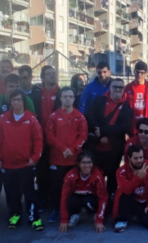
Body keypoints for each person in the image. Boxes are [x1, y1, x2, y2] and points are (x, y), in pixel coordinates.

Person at [0, 89, 44, 230]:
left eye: (19, 99)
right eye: (14, 100)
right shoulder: (2, 119)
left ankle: (34, 218)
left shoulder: (31, 119)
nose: (17, 102)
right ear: (10, 102)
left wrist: (35, 158)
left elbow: (39, 140)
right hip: (7, 165)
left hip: (26, 164)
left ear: (24, 102)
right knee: (11, 193)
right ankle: (15, 215)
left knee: (30, 194)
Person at [45, 87, 88, 223]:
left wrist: (73, 148)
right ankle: (56, 210)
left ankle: (73, 212)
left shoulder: (79, 117)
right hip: (57, 159)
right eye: (65, 96)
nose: (68, 99)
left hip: (74, 159)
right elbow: (49, 136)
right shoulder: (54, 116)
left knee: (74, 188)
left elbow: (83, 136)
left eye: (70, 96)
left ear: (74, 99)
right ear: (60, 98)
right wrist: (64, 149)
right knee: (56, 187)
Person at [85, 79, 133, 197]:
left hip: (114, 146)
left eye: (120, 87)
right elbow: (89, 115)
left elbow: (124, 127)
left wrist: (103, 132)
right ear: (110, 88)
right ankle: (96, 197)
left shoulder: (126, 106)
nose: (117, 89)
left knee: (112, 173)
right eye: (115, 87)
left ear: (123, 90)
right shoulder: (99, 100)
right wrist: (97, 129)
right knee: (96, 172)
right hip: (96, 145)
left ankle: (111, 197)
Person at [30, 65, 61, 217]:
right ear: (42, 77)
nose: (52, 76)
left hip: (56, 137)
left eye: (54, 73)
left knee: (55, 170)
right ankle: (42, 198)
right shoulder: (36, 93)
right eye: (48, 74)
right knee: (41, 170)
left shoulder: (62, 93)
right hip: (40, 137)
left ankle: (55, 200)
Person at [112, 145, 148, 233]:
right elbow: (126, 190)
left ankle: (135, 214)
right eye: (136, 158)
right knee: (124, 194)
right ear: (129, 158)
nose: (139, 160)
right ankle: (122, 219)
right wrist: (138, 178)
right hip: (129, 201)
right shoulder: (121, 171)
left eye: (141, 157)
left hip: (144, 203)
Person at [58, 151, 109, 233]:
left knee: (89, 202)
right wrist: (64, 219)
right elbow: (64, 196)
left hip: (91, 199)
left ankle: (97, 214)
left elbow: (103, 198)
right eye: (84, 163)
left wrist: (99, 219)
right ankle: (76, 214)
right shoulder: (70, 175)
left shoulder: (98, 175)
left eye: (89, 162)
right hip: (77, 198)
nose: (87, 165)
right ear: (78, 164)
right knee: (69, 200)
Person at [124, 61, 148, 134]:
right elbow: (124, 109)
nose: (139, 75)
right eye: (137, 72)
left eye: (142, 73)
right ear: (134, 72)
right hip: (132, 127)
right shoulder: (128, 88)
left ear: (146, 73)